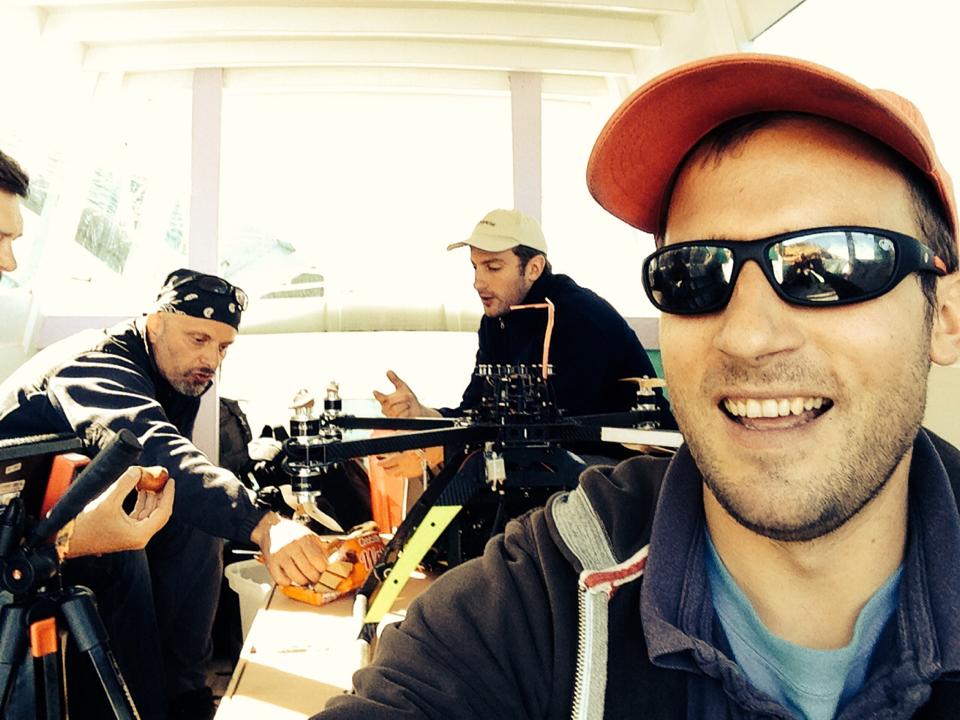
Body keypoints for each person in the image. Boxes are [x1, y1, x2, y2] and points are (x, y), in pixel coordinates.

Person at [315, 53, 960, 719]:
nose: (748, 335)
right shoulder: (542, 596)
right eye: (692, 274)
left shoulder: (572, 317)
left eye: (829, 264)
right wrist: (428, 423)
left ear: (945, 314)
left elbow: (547, 430)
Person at [0, 267, 330, 719]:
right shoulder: (97, 365)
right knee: (122, 553)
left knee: (194, 525)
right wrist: (262, 524)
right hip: (16, 532)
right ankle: (142, 707)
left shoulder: (177, 372)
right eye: (199, 339)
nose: (211, 359)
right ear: (155, 324)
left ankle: (186, 697)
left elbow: (167, 477)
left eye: (223, 347)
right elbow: (154, 447)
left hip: (63, 508)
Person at [373, 208, 667, 421]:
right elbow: (475, 411)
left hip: (626, 467)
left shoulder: (579, 317)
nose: (478, 282)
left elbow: (560, 431)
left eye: (493, 267)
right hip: (554, 463)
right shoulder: (495, 320)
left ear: (534, 268)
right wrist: (423, 414)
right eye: (475, 267)